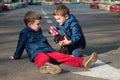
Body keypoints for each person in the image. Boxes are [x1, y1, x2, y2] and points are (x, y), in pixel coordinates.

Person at [9, 11, 98, 74]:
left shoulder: (38, 30)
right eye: (38, 24)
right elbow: (20, 45)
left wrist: (51, 49)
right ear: (29, 24)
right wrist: (16, 56)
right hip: (36, 52)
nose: (40, 26)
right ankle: (47, 66)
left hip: (47, 49)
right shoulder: (24, 32)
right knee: (42, 57)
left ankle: (83, 62)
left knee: (63, 57)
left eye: (40, 24)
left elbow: (44, 40)